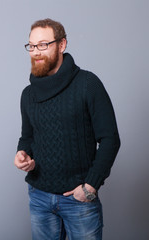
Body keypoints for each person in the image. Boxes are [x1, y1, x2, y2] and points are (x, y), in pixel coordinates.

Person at [14, 18, 120, 240]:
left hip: (78, 199)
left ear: (62, 45)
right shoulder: (28, 94)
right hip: (39, 197)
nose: (36, 51)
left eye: (43, 44)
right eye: (32, 46)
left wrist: (90, 186)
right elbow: (28, 137)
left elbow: (110, 139)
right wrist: (22, 154)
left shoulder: (88, 84)